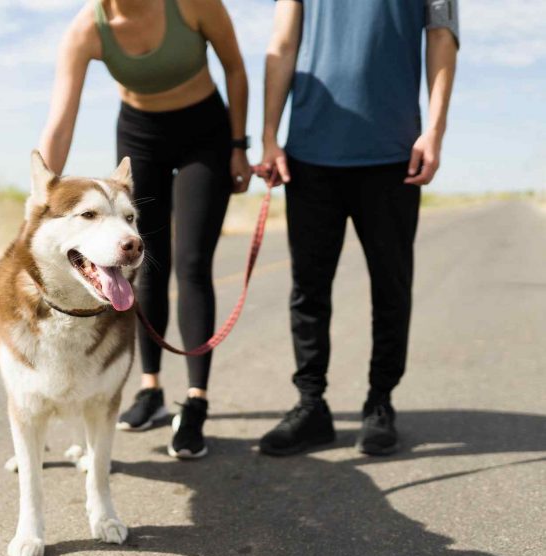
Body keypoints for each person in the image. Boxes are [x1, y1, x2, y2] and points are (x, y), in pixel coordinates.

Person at [38, 0, 252, 459]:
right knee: (140, 262)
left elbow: (235, 68)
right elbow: (61, 120)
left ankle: (196, 401)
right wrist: (40, 199)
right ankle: (150, 389)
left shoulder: (193, 5)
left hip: (206, 135)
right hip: (140, 136)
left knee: (193, 262)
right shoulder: (87, 30)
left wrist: (239, 145)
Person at [257, 0, 459, 456]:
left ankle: (380, 403)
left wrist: (436, 130)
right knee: (308, 289)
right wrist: (270, 135)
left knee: (391, 285)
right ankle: (311, 406)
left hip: (394, 155)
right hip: (309, 155)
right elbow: (283, 43)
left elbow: (442, 37)